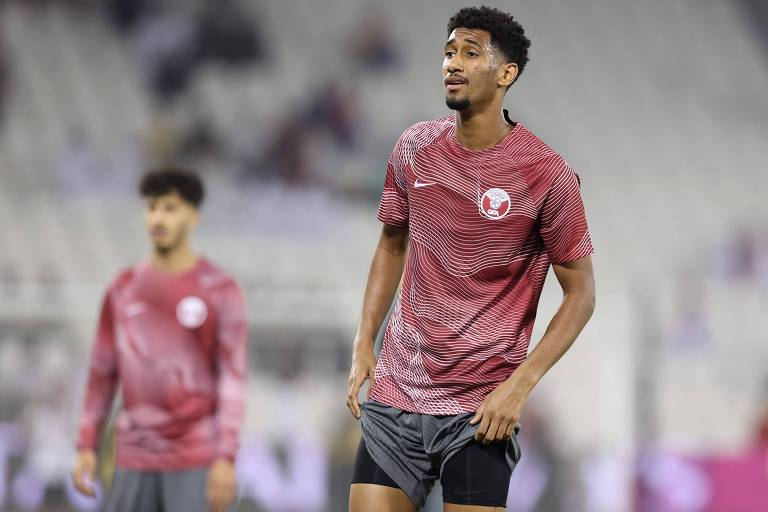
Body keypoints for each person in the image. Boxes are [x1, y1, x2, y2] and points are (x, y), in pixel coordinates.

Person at [346, 6, 596, 511]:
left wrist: (519, 387)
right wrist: (363, 342)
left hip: (479, 411)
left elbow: (582, 295)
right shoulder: (414, 148)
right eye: (448, 52)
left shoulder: (546, 174)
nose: (452, 64)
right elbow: (391, 244)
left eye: (469, 53)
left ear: (506, 74)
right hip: (396, 395)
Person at [71, 169, 248, 512]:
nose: (158, 217)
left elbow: (232, 381)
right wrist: (86, 445)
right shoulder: (122, 289)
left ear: (194, 217)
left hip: (195, 457)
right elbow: (101, 375)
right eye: (152, 207)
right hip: (132, 457)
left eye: (170, 208)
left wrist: (226, 456)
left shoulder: (220, 291)